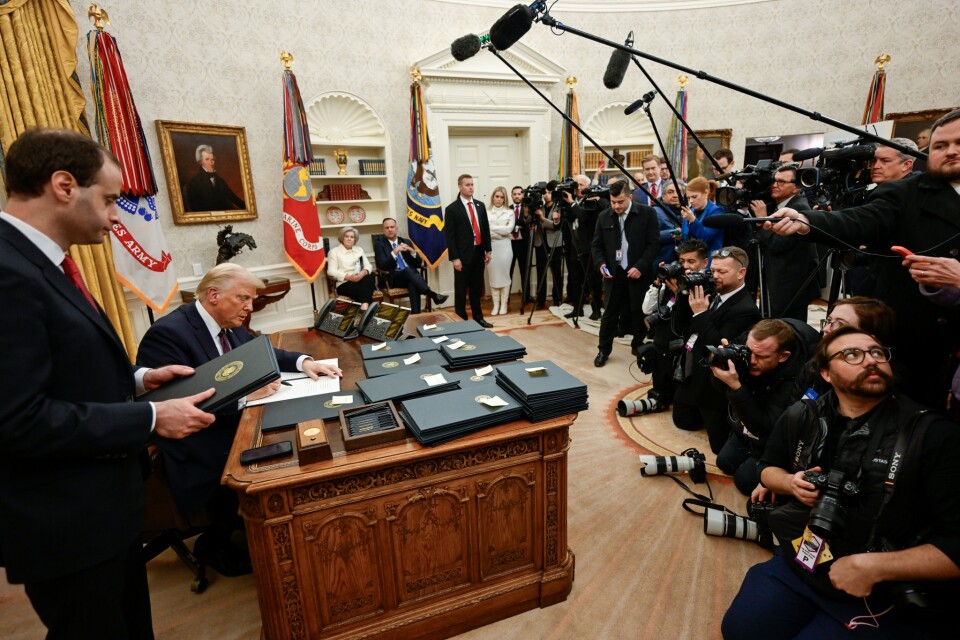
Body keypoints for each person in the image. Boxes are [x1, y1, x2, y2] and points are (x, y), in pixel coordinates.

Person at [0, 128, 216, 638]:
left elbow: (60, 366)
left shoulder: (41, 262)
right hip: (64, 525)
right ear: (63, 185)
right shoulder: (8, 272)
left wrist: (139, 379)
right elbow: (18, 418)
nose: (117, 215)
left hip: (101, 514)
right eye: (110, 199)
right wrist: (151, 416)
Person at [723, 327, 960, 638]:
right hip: (805, 558)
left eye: (877, 353)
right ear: (826, 373)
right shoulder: (803, 414)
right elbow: (767, 468)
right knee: (741, 630)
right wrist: (790, 483)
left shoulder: (932, 434)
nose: (871, 361)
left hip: (879, 588)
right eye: (852, 354)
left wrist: (876, 567)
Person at [136, 263, 342, 575]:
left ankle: (283, 529)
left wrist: (304, 361)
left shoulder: (227, 324)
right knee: (276, 450)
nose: (249, 307)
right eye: (243, 299)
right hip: (196, 439)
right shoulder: (169, 334)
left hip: (226, 422)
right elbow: (174, 406)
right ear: (214, 295)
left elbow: (261, 351)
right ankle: (226, 538)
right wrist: (245, 397)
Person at [767, 109, 960, 410]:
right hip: (910, 335)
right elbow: (859, 221)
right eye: (940, 146)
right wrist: (808, 221)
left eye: (958, 143)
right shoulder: (904, 193)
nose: (950, 151)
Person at [671, 246, 762, 452]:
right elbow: (681, 329)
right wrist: (682, 294)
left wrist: (701, 314)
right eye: (713, 271)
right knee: (682, 421)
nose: (715, 276)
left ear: (741, 273)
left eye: (722, 272)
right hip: (693, 373)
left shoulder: (746, 311)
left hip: (715, 387)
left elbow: (719, 352)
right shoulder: (710, 289)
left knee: (718, 448)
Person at [710, 318, 815, 495]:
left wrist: (736, 387)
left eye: (761, 356)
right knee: (725, 462)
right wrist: (722, 366)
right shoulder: (751, 342)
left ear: (783, 356)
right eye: (748, 351)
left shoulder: (799, 376)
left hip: (775, 434)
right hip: (752, 418)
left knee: (744, 481)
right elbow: (719, 388)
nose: (751, 360)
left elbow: (768, 428)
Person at [591, 178, 659, 367]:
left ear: (630, 197)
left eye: (620, 202)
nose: (616, 206)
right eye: (613, 202)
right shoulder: (604, 216)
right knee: (609, 314)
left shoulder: (647, 213)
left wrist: (641, 266)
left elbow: (653, 244)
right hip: (613, 273)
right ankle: (603, 350)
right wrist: (600, 265)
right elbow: (596, 246)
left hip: (637, 271)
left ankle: (637, 344)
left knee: (638, 310)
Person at [637, 239, 709, 414]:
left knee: (682, 409)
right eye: (682, 261)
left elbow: (694, 324)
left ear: (704, 262)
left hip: (683, 354)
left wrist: (681, 294)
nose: (686, 266)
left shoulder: (707, 286)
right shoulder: (673, 280)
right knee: (660, 397)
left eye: (691, 261)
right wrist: (658, 284)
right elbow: (647, 309)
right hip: (662, 347)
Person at [793, 296, 897, 401]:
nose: (826, 329)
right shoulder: (814, 365)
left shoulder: (887, 385)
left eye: (840, 324)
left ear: (868, 336)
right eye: (829, 321)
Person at [752, 165, 820, 322]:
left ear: (796, 188)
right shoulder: (781, 205)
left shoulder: (798, 208)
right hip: (781, 281)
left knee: (788, 330)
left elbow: (779, 244)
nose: (775, 185)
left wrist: (763, 220)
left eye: (782, 182)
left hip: (791, 285)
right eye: (774, 180)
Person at [443, 174, 493, 327]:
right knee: (461, 289)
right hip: (462, 256)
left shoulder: (480, 205)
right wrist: (455, 258)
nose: (471, 187)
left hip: (478, 253)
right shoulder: (452, 209)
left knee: (476, 288)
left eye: (472, 184)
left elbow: (485, 229)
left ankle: (478, 317)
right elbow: (449, 237)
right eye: (467, 185)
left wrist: (488, 250)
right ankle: (461, 321)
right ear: (460, 187)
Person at [374, 218, 447, 314]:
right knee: (409, 271)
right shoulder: (379, 244)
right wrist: (395, 252)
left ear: (397, 228)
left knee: (412, 282)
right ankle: (432, 295)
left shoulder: (405, 242)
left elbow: (417, 264)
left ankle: (416, 314)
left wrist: (413, 252)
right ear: (384, 230)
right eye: (387, 228)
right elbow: (382, 265)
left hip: (409, 276)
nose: (390, 229)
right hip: (393, 277)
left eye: (392, 227)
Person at [327, 226, 377, 334]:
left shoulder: (359, 250)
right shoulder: (334, 252)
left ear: (355, 239)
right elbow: (330, 271)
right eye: (346, 236)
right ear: (342, 238)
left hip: (360, 280)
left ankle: (364, 306)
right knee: (365, 289)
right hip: (345, 283)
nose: (349, 239)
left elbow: (368, 266)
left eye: (352, 237)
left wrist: (362, 273)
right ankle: (368, 316)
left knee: (369, 277)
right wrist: (349, 277)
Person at [184, 144, 246, 212]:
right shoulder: (194, 182)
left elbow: (233, 197)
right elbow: (196, 208)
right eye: (207, 159)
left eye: (212, 159)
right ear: (200, 162)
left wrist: (248, 208)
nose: (211, 163)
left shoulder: (219, 180)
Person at [531, 189, 565, 310]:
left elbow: (556, 226)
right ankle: (540, 301)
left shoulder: (559, 206)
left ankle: (557, 300)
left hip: (555, 244)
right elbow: (531, 222)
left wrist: (542, 218)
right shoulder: (539, 206)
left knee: (556, 272)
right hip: (540, 243)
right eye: (544, 193)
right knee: (541, 273)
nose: (546, 195)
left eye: (549, 193)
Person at [485, 186, 515, 315]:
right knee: (493, 276)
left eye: (502, 197)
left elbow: (509, 230)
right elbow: (485, 232)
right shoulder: (485, 212)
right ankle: (495, 305)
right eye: (497, 196)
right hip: (491, 247)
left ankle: (504, 305)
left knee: (504, 275)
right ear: (493, 197)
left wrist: (493, 229)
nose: (499, 199)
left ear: (505, 199)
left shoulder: (510, 212)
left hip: (505, 247)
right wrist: (500, 229)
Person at [680, 176, 724, 257]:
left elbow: (706, 238)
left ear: (706, 193)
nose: (691, 201)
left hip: (709, 260)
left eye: (694, 197)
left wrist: (693, 220)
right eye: (688, 198)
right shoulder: (690, 211)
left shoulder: (717, 211)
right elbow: (685, 240)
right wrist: (679, 237)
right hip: (690, 259)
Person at [651, 181, 683, 274]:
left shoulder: (689, 211)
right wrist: (674, 233)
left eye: (679, 192)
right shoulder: (655, 211)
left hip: (682, 263)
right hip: (662, 263)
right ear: (663, 196)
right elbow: (650, 236)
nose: (675, 195)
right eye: (670, 192)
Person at [508, 185, 531, 304]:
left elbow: (528, 222)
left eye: (519, 194)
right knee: (508, 271)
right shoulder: (507, 209)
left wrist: (519, 222)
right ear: (511, 196)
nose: (517, 196)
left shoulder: (527, 208)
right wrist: (520, 222)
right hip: (510, 244)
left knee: (524, 270)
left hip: (523, 244)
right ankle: (506, 297)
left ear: (523, 195)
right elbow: (507, 225)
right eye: (514, 194)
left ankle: (526, 297)